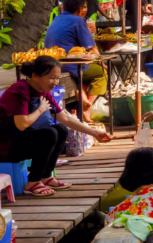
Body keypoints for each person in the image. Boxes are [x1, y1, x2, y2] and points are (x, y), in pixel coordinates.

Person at [0, 56, 111, 197]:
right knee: (49, 133)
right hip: (6, 146)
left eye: (57, 78)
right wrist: (40, 109)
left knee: (61, 130)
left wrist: (94, 133)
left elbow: (64, 118)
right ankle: (32, 182)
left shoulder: (43, 91)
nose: (55, 82)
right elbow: (21, 125)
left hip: (21, 140)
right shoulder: (19, 91)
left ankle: (45, 176)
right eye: (51, 78)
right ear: (35, 76)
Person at [44, 0, 107, 122]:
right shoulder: (78, 20)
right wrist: (102, 63)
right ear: (80, 8)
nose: (85, 10)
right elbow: (92, 48)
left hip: (52, 64)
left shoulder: (57, 18)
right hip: (69, 66)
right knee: (101, 73)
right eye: (84, 7)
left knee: (86, 72)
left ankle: (82, 96)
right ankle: (87, 107)